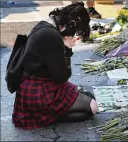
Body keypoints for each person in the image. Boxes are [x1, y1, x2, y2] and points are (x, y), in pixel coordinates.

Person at [12, 2, 98, 130]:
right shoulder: (51, 35)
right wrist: (67, 49)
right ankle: (52, 115)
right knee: (93, 107)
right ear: (72, 24)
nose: (73, 35)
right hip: (39, 93)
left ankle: (56, 112)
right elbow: (62, 77)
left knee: (90, 96)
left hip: (40, 85)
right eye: (75, 31)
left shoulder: (47, 25)